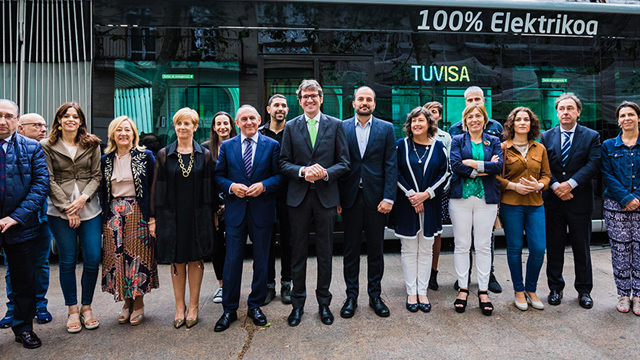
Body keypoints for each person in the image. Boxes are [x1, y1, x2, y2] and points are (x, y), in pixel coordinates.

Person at [279, 79, 350, 326]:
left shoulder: (336, 125)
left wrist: (325, 173)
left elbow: (344, 162)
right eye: (305, 96)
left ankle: (324, 304)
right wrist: (302, 171)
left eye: (314, 95)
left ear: (321, 98)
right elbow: (283, 162)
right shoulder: (290, 126)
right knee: (297, 253)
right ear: (299, 101)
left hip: (326, 197)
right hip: (298, 199)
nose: (309, 99)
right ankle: (297, 306)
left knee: (325, 253)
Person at [213, 105, 283, 332]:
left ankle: (255, 305)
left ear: (259, 119)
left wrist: (264, 186)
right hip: (236, 213)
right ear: (237, 122)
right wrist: (232, 186)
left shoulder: (272, 145)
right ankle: (229, 310)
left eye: (252, 118)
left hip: (262, 212)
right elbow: (218, 175)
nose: (248, 122)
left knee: (262, 261)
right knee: (232, 262)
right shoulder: (227, 146)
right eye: (243, 119)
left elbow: (280, 176)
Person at [41, 102, 102, 333]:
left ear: (80, 121)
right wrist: (68, 208)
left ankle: (87, 307)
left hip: (89, 208)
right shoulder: (46, 145)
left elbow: (96, 176)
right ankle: (73, 309)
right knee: (67, 260)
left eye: (75, 116)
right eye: (66, 116)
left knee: (93, 257)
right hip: (59, 211)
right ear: (58, 120)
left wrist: (82, 199)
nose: (70, 120)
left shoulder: (92, 143)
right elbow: (48, 179)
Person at [152, 107, 215, 329]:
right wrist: (154, 220)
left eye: (187, 123)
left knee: (195, 259)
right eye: (178, 123)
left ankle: (194, 306)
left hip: (198, 216)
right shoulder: (163, 154)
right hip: (171, 216)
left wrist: (212, 217)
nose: (182, 127)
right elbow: (157, 189)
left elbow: (209, 190)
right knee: (177, 260)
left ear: (195, 127)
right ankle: (179, 307)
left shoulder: (204, 155)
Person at [338, 86, 396, 318]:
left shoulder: (386, 128)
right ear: (353, 103)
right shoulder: (340, 128)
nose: (364, 102)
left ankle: (375, 296)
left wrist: (389, 197)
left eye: (369, 99)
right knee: (350, 250)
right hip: (349, 199)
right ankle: (351, 297)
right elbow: (336, 162)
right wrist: (337, 199)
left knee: (376, 250)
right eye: (360, 99)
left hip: (377, 200)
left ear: (374, 104)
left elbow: (391, 164)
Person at [540, 93, 600, 309]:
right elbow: (543, 165)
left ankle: (584, 291)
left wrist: (571, 184)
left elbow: (593, 164)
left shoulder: (592, 136)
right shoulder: (546, 137)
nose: (565, 112)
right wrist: (556, 186)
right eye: (562, 109)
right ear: (556, 113)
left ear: (578, 112)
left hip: (579, 201)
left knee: (581, 248)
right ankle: (555, 289)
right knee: (554, 246)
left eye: (570, 108)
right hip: (554, 200)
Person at [100, 116, 158, 325]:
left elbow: (153, 187)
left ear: (134, 133)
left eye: (127, 130)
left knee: (137, 258)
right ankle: (126, 303)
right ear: (112, 134)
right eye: (119, 130)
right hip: (113, 214)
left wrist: (152, 217)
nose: (123, 134)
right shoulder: (105, 159)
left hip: (137, 212)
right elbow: (102, 191)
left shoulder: (146, 156)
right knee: (117, 259)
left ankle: (139, 303)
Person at [0, 100, 49, 348]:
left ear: (17, 121)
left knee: (23, 281)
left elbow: (40, 186)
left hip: (20, 225)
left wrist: (16, 217)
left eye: (8, 116)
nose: (2, 121)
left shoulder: (32, 148)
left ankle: (23, 328)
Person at [449, 86, 503, 293]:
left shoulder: (496, 129)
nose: (474, 106)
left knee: (484, 242)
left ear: (484, 102)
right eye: (469, 101)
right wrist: (481, 168)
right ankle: (464, 279)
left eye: (477, 100)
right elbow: (456, 165)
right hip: (462, 194)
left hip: (487, 195)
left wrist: (473, 163)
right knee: (462, 242)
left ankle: (487, 278)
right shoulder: (455, 132)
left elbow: (498, 165)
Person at [395, 107, 449, 313]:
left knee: (426, 250)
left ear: (429, 124)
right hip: (406, 205)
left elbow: (445, 174)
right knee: (409, 249)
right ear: (409, 125)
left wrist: (426, 195)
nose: (417, 124)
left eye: (421, 120)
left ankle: (423, 291)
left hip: (430, 204)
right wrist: (412, 195)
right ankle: (411, 292)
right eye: (413, 121)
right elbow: (395, 172)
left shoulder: (439, 147)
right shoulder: (401, 146)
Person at [497, 107, 551, 311]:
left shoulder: (540, 148)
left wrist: (540, 185)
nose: (522, 123)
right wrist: (513, 186)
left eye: (526, 120)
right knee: (515, 248)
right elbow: (495, 176)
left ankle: (531, 289)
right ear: (512, 124)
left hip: (535, 204)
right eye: (518, 119)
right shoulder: (502, 148)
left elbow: (547, 175)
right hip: (512, 205)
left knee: (538, 248)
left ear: (531, 124)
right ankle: (518, 290)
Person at [601, 101, 640, 315]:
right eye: (623, 115)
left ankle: (639, 296)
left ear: (638, 118)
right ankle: (624, 294)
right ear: (618, 120)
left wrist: (637, 197)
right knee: (620, 251)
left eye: (631, 114)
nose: (627, 118)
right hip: (616, 207)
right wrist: (625, 197)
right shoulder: (608, 146)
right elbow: (606, 175)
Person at [259, 95, 292, 305]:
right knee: (266, 242)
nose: (280, 109)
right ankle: (269, 285)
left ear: (287, 110)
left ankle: (287, 283)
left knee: (289, 242)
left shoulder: (294, 131)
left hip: (290, 195)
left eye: (283, 106)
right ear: (269, 108)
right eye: (276, 105)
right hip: (265, 196)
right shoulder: (260, 133)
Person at [202, 111, 237, 304]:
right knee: (217, 247)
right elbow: (206, 181)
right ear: (214, 128)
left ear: (231, 125)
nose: (223, 127)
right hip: (214, 207)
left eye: (226, 123)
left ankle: (234, 284)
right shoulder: (206, 150)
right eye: (219, 124)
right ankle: (222, 285)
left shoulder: (239, 145)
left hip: (236, 203)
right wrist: (215, 207)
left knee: (235, 246)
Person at [423, 101, 451, 291]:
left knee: (436, 233)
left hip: (439, 193)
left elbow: (448, 168)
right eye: (427, 112)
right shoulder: (415, 134)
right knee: (418, 232)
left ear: (439, 116)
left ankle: (433, 273)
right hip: (418, 192)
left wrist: (438, 190)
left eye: (434, 112)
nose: (431, 115)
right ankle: (420, 272)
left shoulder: (446, 137)